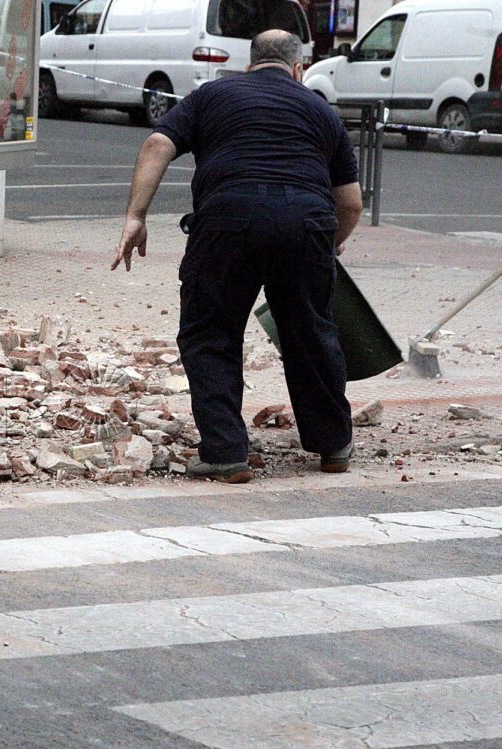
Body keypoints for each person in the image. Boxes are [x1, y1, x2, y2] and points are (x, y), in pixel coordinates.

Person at [112, 29, 363, 484]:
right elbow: (350, 204)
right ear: (299, 69)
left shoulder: (211, 95)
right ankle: (332, 444)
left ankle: (226, 452)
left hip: (227, 222)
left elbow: (156, 145)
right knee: (311, 332)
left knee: (211, 331)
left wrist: (136, 216)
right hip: (304, 224)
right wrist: (328, 244)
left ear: (248, 65)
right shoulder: (321, 111)